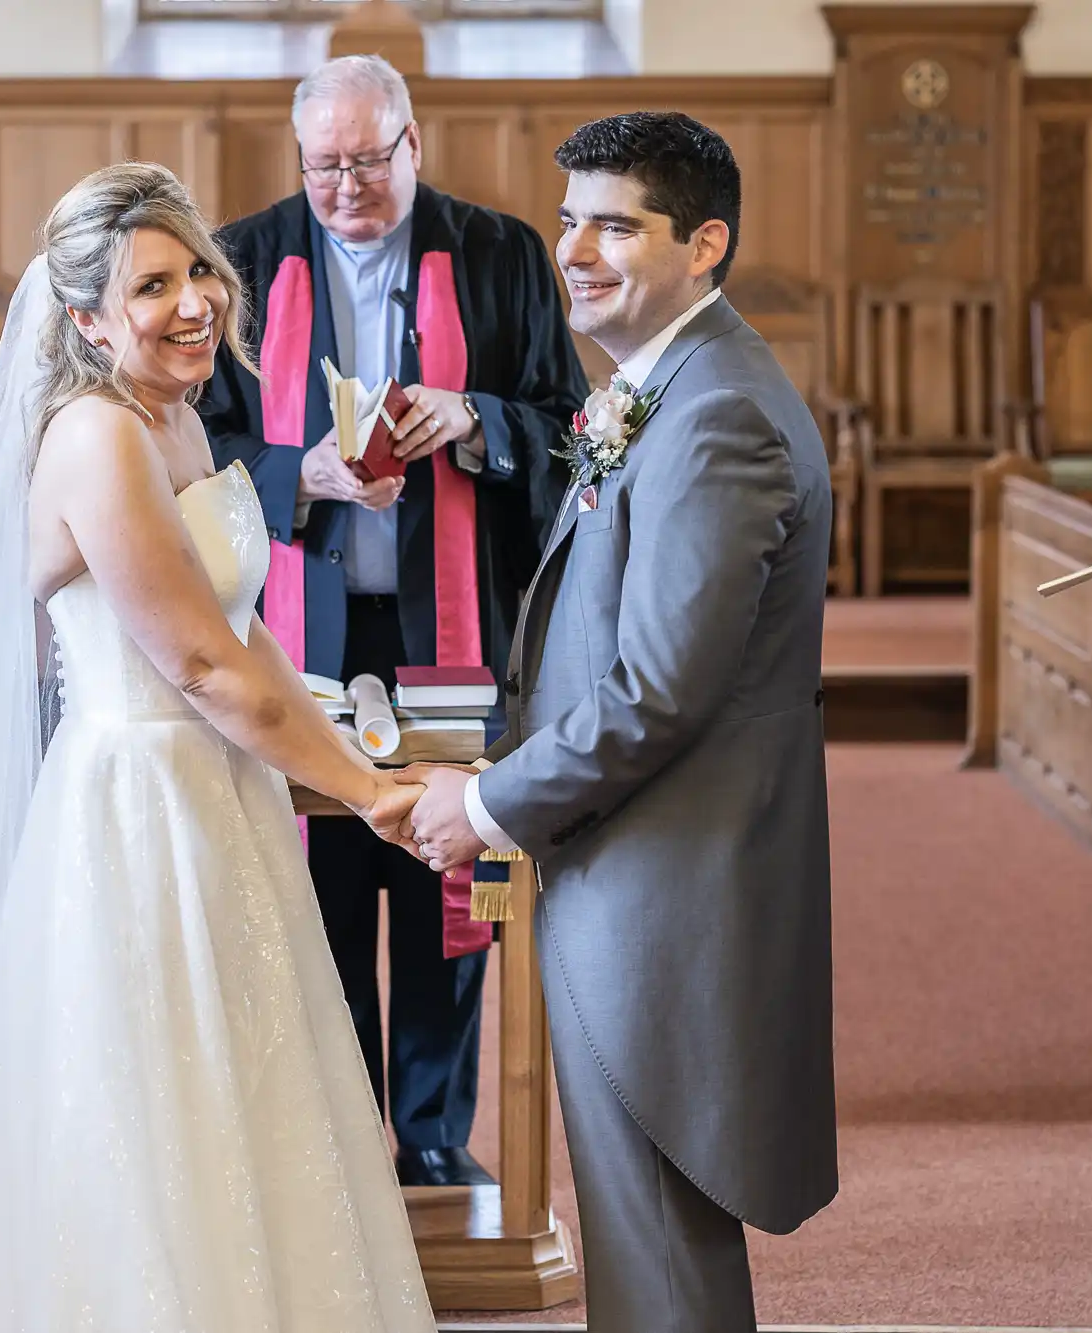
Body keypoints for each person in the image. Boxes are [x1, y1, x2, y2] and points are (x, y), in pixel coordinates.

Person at [0, 162, 436, 1333]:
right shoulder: (96, 437)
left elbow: (237, 636)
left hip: (218, 794)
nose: (195, 301)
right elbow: (196, 663)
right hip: (140, 808)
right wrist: (370, 793)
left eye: (199, 269)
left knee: (241, 1096)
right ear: (84, 317)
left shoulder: (176, 417)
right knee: (149, 1107)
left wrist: (337, 723)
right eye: (153, 285)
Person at [402, 112, 839, 1332]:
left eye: (614, 224)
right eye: (566, 221)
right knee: (639, 1245)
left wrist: (485, 804)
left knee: (654, 1245)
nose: (574, 251)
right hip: (628, 857)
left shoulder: (715, 416)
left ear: (704, 244)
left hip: (669, 879)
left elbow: (659, 689)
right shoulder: (663, 387)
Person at [198, 54, 588, 1187]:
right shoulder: (246, 257)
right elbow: (194, 447)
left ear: (412, 145)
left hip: (448, 629)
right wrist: (295, 471)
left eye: (367, 160)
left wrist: (478, 421)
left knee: (442, 874)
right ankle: (333, 1143)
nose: (345, 186)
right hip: (298, 627)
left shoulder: (498, 253)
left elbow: (569, 430)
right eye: (323, 165)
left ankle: (428, 1134)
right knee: (314, 884)